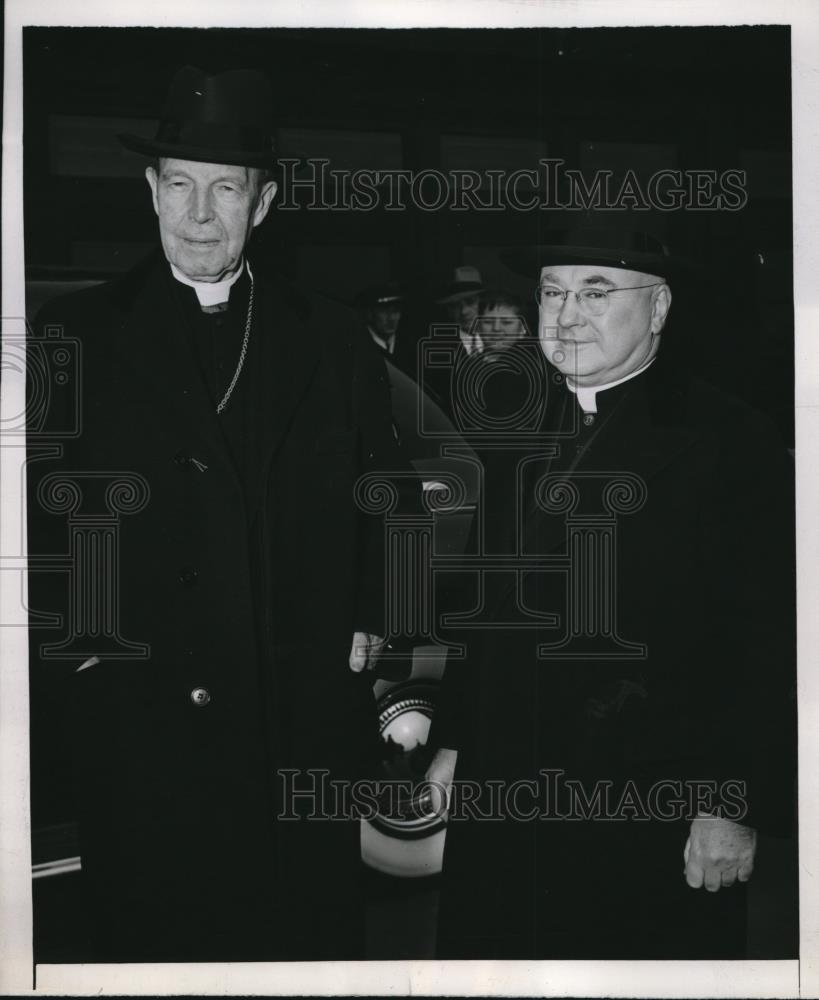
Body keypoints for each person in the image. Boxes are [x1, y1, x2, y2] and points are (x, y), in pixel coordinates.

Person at [27, 66, 402, 962]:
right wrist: (80, 646)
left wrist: (375, 621)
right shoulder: (73, 330)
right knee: (157, 938)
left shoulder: (329, 333)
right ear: (150, 193)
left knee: (297, 939)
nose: (200, 215)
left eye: (225, 190)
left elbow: (386, 494)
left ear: (261, 205)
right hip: (144, 711)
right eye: (181, 187)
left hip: (298, 705)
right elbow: (37, 509)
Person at [427, 227, 796, 959]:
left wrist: (728, 804)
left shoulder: (730, 439)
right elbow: (484, 605)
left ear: (657, 308)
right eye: (552, 293)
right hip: (504, 788)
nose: (565, 316)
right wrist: (453, 744)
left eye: (595, 293)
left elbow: (766, 641)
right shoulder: (510, 423)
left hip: (644, 801)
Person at [474, 287, 531, 360]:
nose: (496, 328)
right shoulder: (468, 364)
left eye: (506, 322)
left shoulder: (534, 366)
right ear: (478, 327)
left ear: (522, 328)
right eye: (488, 321)